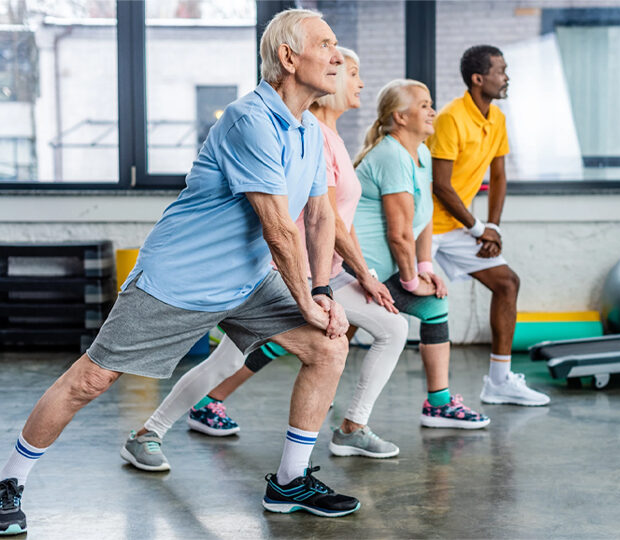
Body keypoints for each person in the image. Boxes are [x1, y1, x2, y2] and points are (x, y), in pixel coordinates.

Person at [0, 9, 361, 533]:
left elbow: (321, 213)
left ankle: (288, 482)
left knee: (327, 345)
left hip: (249, 280)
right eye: (326, 45)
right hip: (180, 280)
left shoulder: (308, 131)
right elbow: (278, 227)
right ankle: (9, 481)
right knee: (92, 380)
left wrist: (323, 288)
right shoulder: (249, 119)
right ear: (288, 57)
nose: (336, 55)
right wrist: (306, 299)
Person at [120, 46, 409, 469]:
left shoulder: (326, 136)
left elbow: (335, 219)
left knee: (237, 359)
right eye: (352, 71)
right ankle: (347, 429)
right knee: (387, 329)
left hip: (322, 275)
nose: (359, 81)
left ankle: (153, 430)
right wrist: (357, 276)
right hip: (293, 275)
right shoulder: (313, 136)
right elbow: (318, 219)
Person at [353, 79, 489, 429]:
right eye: (424, 105)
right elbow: (398, 234)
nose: (432, 111)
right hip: (359, 272)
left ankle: (439, 404)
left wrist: (425, 267)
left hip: (383, 273)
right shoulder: (391, 155)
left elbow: (423, 217)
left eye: (431, 104)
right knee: (298, 338)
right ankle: (211, 400)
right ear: (400, 117)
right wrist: (411, 281)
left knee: (434, 306)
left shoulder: (421, 153)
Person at [427, 45, 550, 407]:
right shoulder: (451, 117)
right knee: (367, 299)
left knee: (507, 282)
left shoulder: (496, 119)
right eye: (501, 70)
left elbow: (498, 176)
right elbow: (441, 186)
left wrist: (493, 227)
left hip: (457, 226)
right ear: (478, 79)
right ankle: (326, 367)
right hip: (424, 225)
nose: (506, 77)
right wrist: (480, 229)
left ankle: (499, 382)